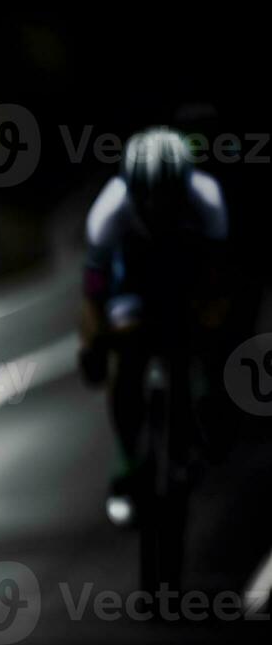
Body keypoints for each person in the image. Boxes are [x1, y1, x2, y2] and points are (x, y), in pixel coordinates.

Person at [78, 127, 230, 525]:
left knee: (205, 333)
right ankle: (129, 457)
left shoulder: (207, 199)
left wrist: (211, 326)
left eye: (168, 197)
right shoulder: (109, 212)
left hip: (186, 275)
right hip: (132, 282)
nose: (158, 207)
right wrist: (94, 343)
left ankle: (199, 409)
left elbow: (218, 275)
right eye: (147, 197)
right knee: (124, 356)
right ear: (131, 189)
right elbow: (94, 295)